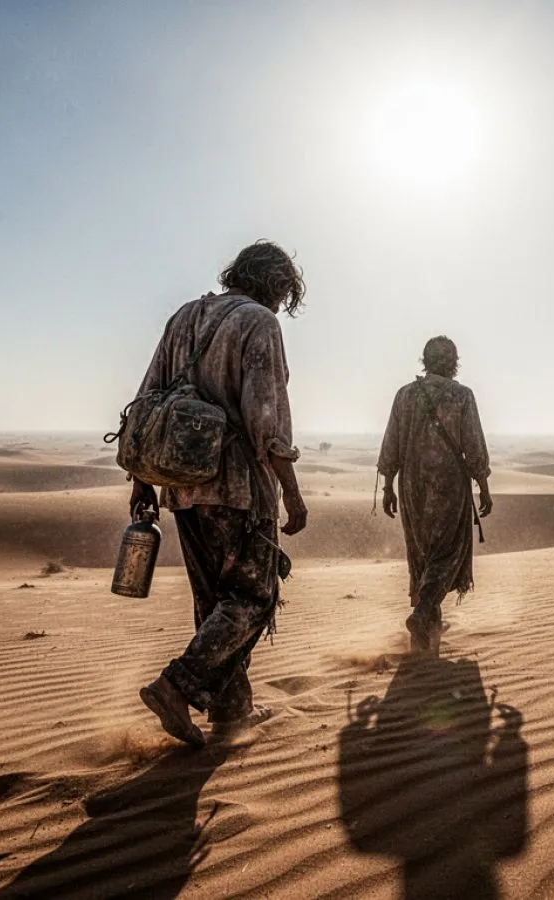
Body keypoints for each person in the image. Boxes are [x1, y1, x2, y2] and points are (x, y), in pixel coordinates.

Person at [131, 241, 308, 747]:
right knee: (254, 596)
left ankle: (232, 714)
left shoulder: (184, 316)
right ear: (277, 285)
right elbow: (266, 417)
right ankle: (177, 685)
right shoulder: (259, 322)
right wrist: (291, 493)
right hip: (238, 487)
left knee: (215, 606)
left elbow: (148, 400)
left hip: (182, 487)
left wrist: (143, 481)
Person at [377, 336, 492, 653]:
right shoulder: (461, 396)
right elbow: (474, 446)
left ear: (425, 360)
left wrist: (388, 486)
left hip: (412, 482)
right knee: (447, 554)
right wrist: (483, 486)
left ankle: (424, 639)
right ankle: (423, 612)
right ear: (453, 362)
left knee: (422, 556)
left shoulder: (405, 395)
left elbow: (391, 445)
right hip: (450, 483)